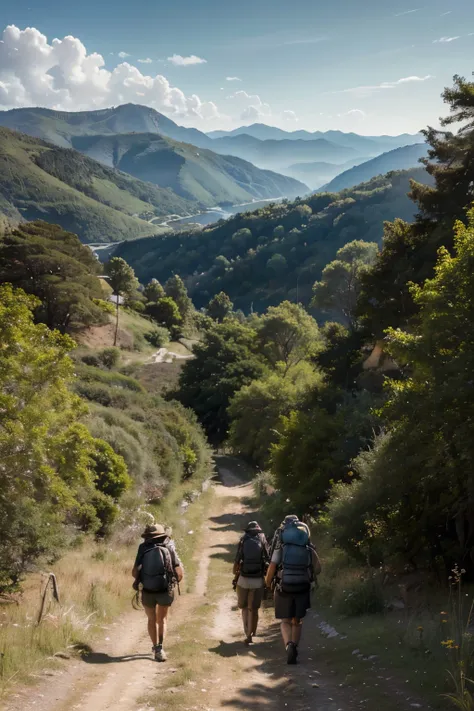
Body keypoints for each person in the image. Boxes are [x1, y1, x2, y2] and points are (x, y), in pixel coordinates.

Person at [265, 514, 321, 665]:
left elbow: (272, 566)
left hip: (284, 585)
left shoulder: (281, 547)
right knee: (297, 620)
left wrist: (268, 582)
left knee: (285, 620)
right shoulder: (307, 547)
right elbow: (318, 568)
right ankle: (294, 646)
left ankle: (288, 645)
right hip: (302, 586)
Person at [132, 523, 184, 662]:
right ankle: (160, 648)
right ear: (162, 535)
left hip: (148, 591)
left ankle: (154, 646)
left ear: (147, 536)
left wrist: (145, 578)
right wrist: (171, 583)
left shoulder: (143, 548)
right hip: (164, 591)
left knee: (151, 619)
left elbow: (134, 572)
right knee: (162, 620)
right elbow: (179, 573)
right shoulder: (168, 547)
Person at [233, 521, 269, 645]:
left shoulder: (243, 539)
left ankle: (246, 631)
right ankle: (251, 633)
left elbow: (237, 559)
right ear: (258, 530)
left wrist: (235, 572)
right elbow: (268, 557)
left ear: (247, 530)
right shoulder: (262, 538)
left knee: (243, 607)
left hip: (243, 579)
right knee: (253, 608)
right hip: (258, 579)